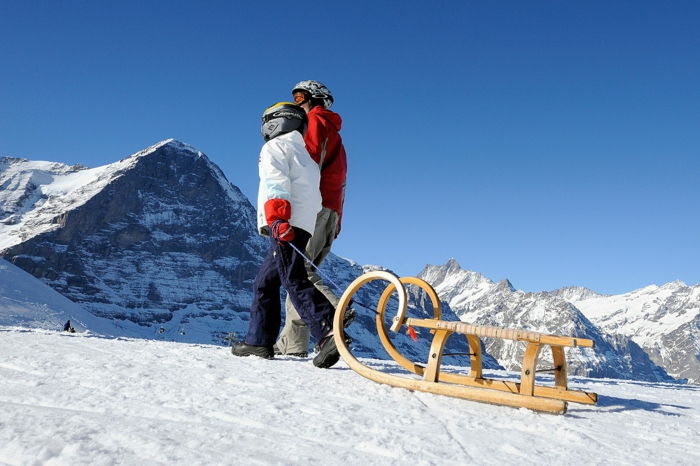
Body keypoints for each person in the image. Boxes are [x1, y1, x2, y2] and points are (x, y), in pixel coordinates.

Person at [231, 102, 340, 369]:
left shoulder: (275, 148)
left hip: (285, 222)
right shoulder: (306, 156)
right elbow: (315, 196)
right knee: (264, 283)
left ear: (277, 122)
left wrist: (278, 217)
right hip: (302, 224)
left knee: (293, 278)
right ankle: (258, 341)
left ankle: (328, 331)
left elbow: (274, 182)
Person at [273, 80, 349, 357]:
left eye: (298, 97)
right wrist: (336, 219)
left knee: (299, 273)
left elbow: (309, 163)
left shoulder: (316, 121)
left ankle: (336, 311)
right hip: (329, 211)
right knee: (301, 274)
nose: (296, 104)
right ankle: (292, 344)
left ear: (311, 99)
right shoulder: (335, 134)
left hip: (314, 209)